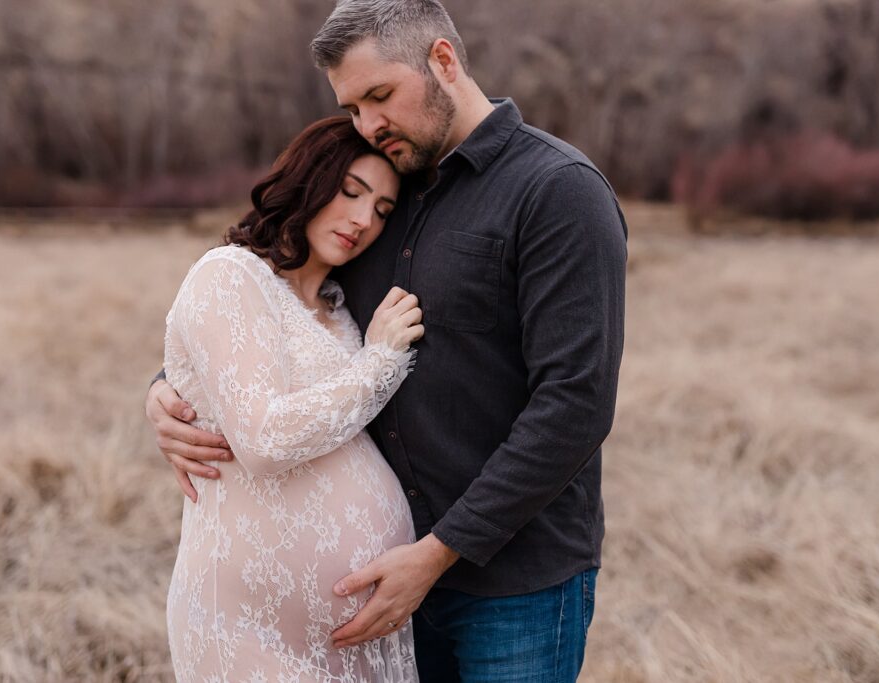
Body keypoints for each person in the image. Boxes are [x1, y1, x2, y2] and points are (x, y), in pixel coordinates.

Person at [147, 1, 628, 680]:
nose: (369, 125)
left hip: (514, 582)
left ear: (443, 60)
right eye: (351, 110)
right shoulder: (384, 187)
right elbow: (276, 313)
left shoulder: (555, 191)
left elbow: (576, 403)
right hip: (381, 594)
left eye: (379, 96)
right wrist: (165, 390)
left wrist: (437, 552)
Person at [161, 117, 425, 682]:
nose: (362, 220)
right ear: (308, 180)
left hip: (356, 637)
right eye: (351, 192)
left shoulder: (340, 303)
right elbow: (263, 439)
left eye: (381, 210)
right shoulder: (229, 276)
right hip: (248, 625)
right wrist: (380, 361)